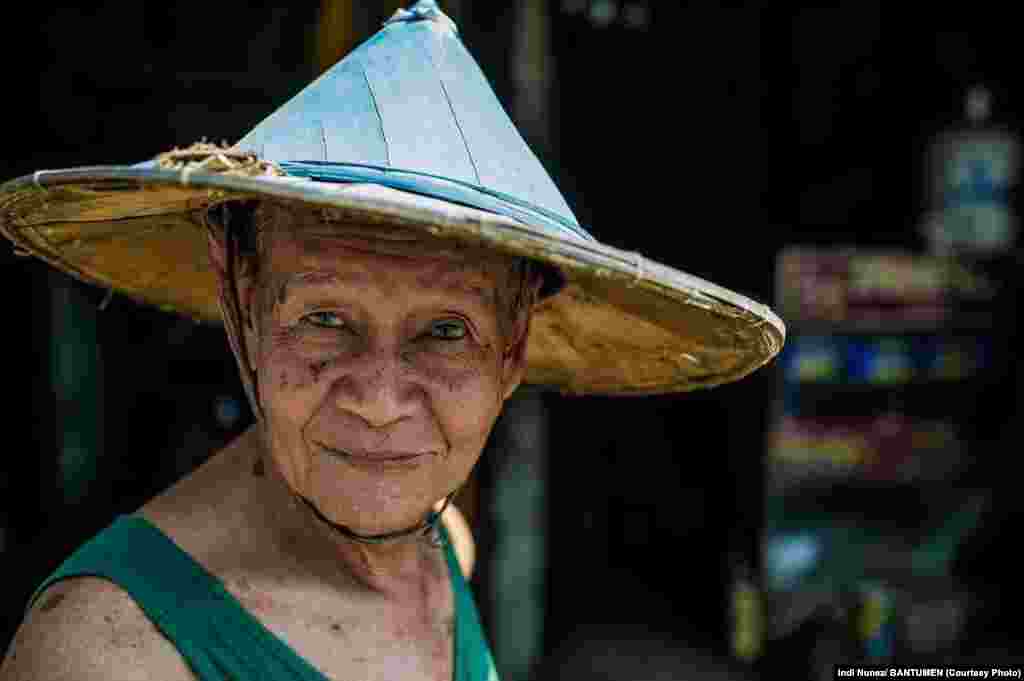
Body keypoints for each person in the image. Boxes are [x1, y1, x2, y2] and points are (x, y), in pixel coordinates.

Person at [0, 2, 784, 680]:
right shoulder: (109, 651)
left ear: (512, 350)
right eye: (325, 319)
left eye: (446, 332)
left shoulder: (443, 542)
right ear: (243, 304)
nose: (379, 402)